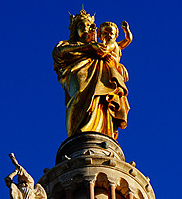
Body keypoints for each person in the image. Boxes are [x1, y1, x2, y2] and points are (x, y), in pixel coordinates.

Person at [52, 10, 131, 139]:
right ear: (75, 29)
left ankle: (103, 133)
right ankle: (74, 136)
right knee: (79, 95)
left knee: (102, 101)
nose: (85, 28)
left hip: (101, 74)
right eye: (81, 25)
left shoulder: (99, 46)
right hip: (77, 71)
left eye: (89, 26)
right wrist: (89, 47)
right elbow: (59, 52)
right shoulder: (67, 44)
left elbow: (117, 47)